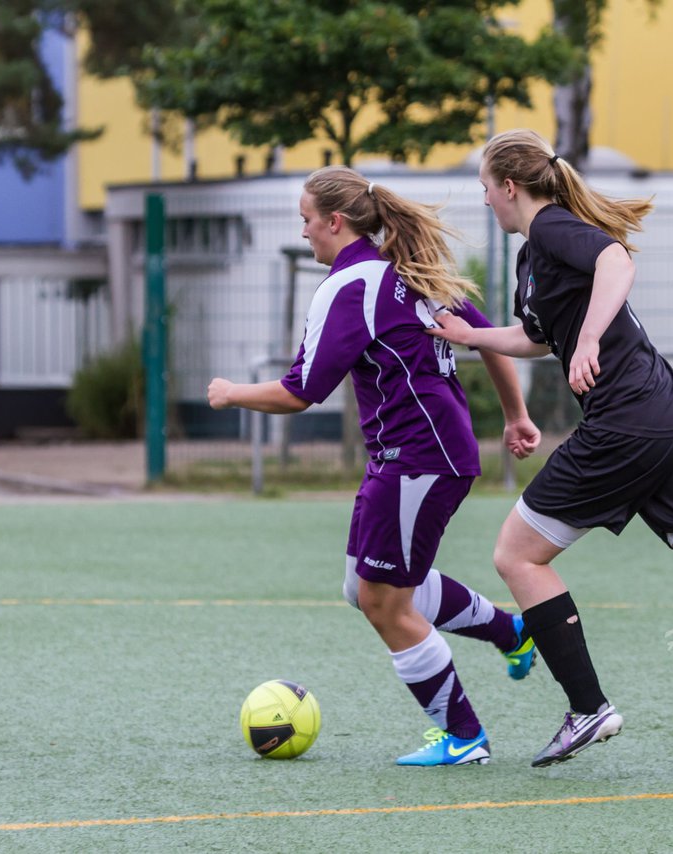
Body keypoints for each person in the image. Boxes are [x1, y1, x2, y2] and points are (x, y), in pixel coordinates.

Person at [430, 128, 673, 768]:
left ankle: (588, 708)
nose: (485, 203)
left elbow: (616, 261)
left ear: (510, 187)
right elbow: (537, 338)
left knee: (517, 555)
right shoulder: (532, 257)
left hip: (630, 422)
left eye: (485, 189)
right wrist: (467, 335)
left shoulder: (553, 228)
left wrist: (589, 341)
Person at [207, 166, 543, 766]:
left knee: (385, 601)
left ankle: (466, 738)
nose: (304, 231)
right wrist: (514, 415)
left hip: (420, 457)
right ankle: (510, 632)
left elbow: (301, 391)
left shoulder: (350, 285)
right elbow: (486, 338)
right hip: (415, 454)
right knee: (363, 588)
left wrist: (232, 392)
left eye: (306, 220)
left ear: (334, 222)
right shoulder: (413, 272)